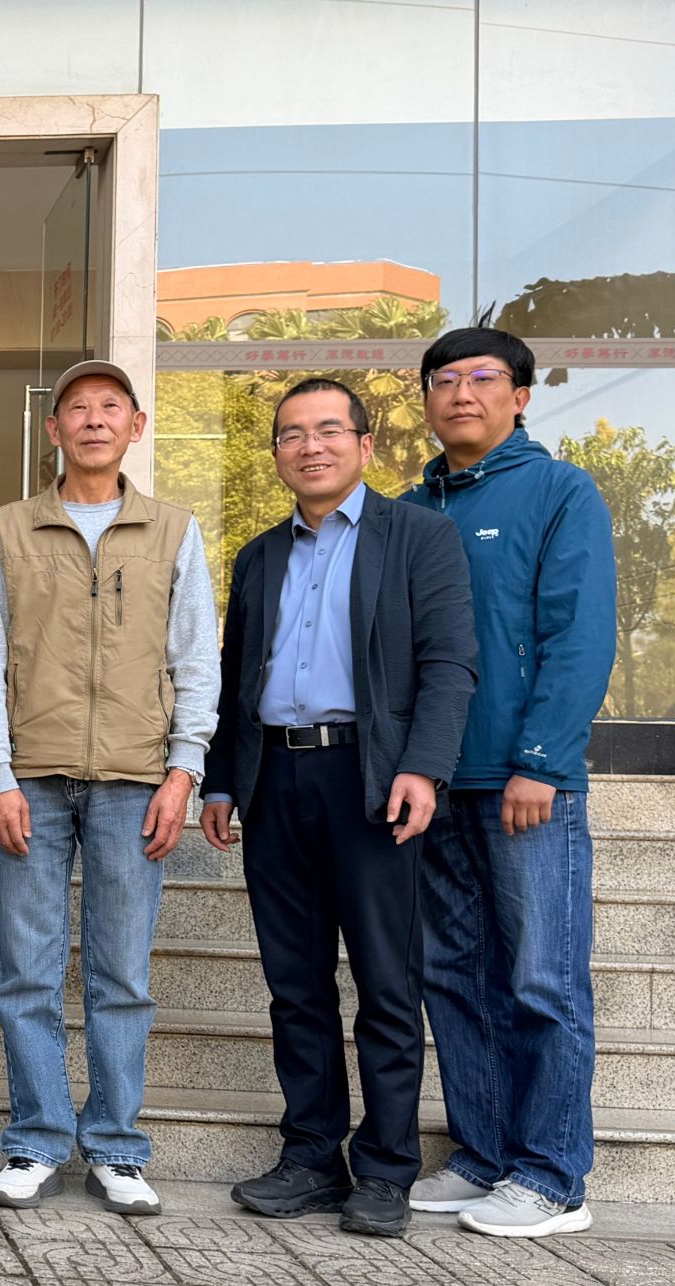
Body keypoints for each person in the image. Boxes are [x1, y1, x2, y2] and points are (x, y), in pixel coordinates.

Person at [202, 381, 477, 1237]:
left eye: (328, 430)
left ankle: (387, 1169)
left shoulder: (419, 536)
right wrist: (221, 779)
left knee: (387, 984)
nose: (309, 446)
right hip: (275, 781)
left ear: (365, 444)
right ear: (277, 453)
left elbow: (450, 662)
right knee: (295, 984)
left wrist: (423, 767)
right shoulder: (259, 556)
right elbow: (235, 676)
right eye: (291, 434)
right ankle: (312, 1156)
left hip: (372, 780)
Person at [0, 359, 218, 1216]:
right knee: (27, 974)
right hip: (30, 779)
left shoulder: (174, 531)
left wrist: (184, 770)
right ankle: (36, 1141)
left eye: (111, 407)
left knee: (122, 976)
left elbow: (196, 659)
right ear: (54, 428)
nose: (95, 420)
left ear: (136, 427)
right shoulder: (7, 530)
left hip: (136, 781)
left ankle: (116, 1148)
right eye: (78, 408)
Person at [401, 328, 617, 1238]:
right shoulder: (410, 506)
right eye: (444, 379)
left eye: (483, 377)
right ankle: (485, 1155)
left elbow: (580, 633)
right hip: (434, 783)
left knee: (542, 979)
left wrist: (541, 760)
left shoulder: (560, 491)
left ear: (520, 396)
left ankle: (552, 1177)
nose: (462, 393)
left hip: (523, 782)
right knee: (454, 976)